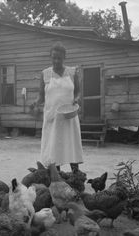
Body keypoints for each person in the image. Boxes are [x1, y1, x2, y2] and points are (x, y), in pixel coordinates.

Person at [31, 42, 83, 172]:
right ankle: (56, 175)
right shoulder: (45, 74)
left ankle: (76, 174)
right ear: (51, 57)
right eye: (54, 57)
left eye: (59, 58)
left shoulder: (72, 72)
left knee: (71, 143)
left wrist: (76, 99)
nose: (56, 60)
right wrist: (35, 103)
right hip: (52, 117)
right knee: (54, 146)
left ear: (64, 57)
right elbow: (41, 96)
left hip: (69, 116)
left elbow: (78, 91)